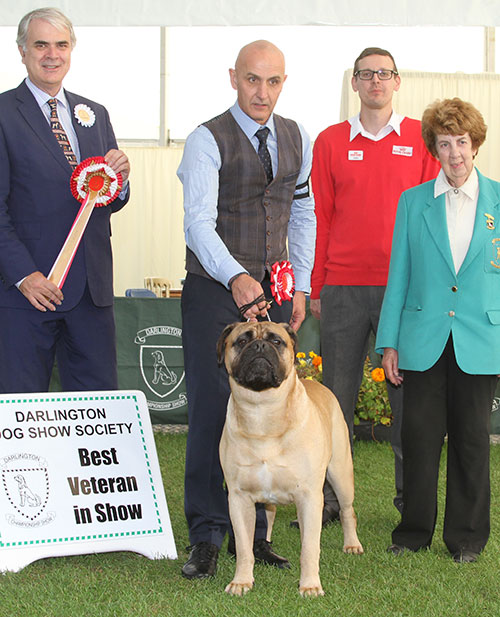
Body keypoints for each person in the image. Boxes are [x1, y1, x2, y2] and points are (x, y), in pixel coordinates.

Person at [177, 40, 316, 579]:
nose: (263, 92)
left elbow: (301, 217)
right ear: (234, 77)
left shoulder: (296, 136)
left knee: (276, 411)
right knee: (216, 411)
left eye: (274, 81)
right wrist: (235, 275)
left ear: (284, 82)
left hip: (275, 288)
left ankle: (254, 539)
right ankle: (208, 536)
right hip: (216, 287)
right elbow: (197, 222)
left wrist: (299, 285)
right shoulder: (205, 140)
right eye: (253, 80)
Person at [309, 47, 440, 521]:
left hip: (401, 293)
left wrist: (424, 290)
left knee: (407, 404)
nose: (376, 82)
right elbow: (319, 215)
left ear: (397, 82)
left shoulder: (423, 141)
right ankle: (325, 501)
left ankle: (411, 504)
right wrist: (317, 284)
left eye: (384, 74)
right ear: (355, 83)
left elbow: (432, 221)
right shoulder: (329, 141)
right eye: (367, 74)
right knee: (334, 403)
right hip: (342, 289)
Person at [377, 98, 499, 563]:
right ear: (433, 149)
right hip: (423, 338)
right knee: (419, 440)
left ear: (476, 144)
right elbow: (399, 275)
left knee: (472, 441)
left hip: (482, 339)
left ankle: (467, 538)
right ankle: (412, 534)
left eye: (462, 142)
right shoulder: (412, 203)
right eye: (444, 144)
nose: (454, 154)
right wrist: (389, 340)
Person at [0, 8, 130, 393]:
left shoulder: (95, 114)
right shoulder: (4, 114)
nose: (51, 54)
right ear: (22, 51)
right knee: (22, 417)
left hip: (91, 294)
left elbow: (105, 201)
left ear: (72, 50)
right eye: (41, 45)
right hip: (28, 294)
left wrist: (120, 182)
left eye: (61, 45)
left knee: (97, 411)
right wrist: (24, 276)